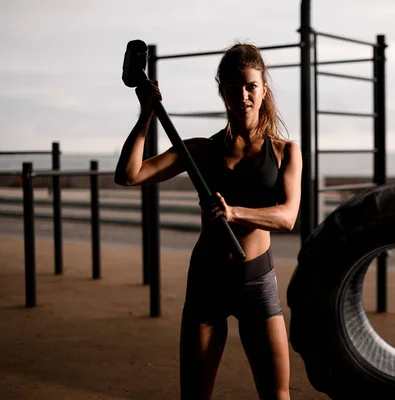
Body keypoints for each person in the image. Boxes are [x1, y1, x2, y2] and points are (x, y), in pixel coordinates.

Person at [114, 42, 302, 400]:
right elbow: (129, 175)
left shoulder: (285, 152)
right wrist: (146, 114)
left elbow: (288, 216)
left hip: (255, 280)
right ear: (223, 91)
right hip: (207, 280)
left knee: (277, 394)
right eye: (233, 87)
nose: (243, 95)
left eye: (250, 86)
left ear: (263, 90)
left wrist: (234, 213)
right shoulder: (199, 151)